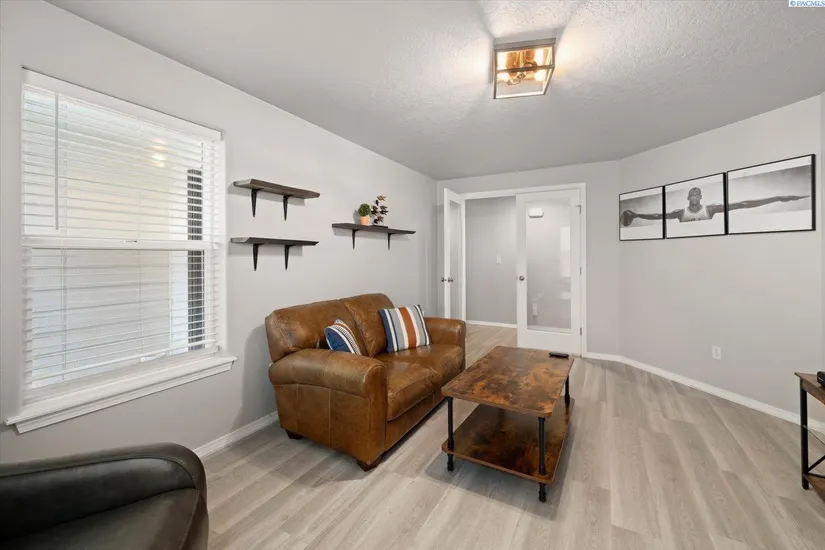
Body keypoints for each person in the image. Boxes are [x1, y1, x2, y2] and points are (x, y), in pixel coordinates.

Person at [620, 186, 808, 226]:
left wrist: (777, 198)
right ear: (688, 197)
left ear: (701, 197)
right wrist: (636, 215)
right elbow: (658, 216)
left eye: (697, 194)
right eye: (692, 194)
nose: (694, 196)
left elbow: (742, 204)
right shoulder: (680, 213)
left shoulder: (710, 209)